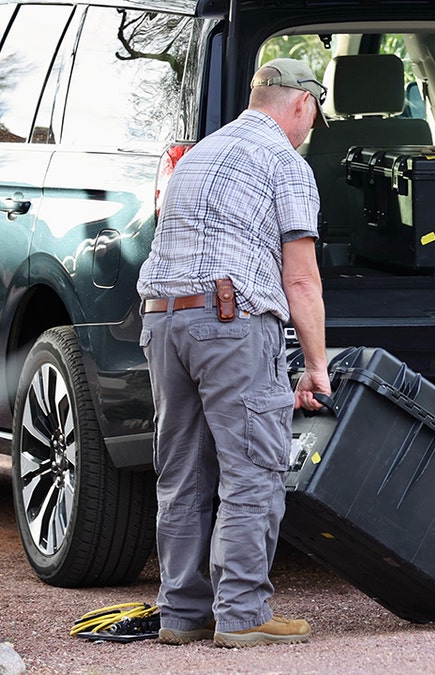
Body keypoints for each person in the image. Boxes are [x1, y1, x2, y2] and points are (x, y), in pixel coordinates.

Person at [137, 58, 333, 648]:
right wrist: (316, 365)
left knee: (181, 472)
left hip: (163, 322)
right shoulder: (284, 161)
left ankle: (182, 613)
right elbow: (300, 279)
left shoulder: (196, 155)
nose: (313, 126)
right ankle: (244, 614)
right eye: (316, 114)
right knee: (252, 469)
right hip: (230, 322)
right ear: (301, 102)